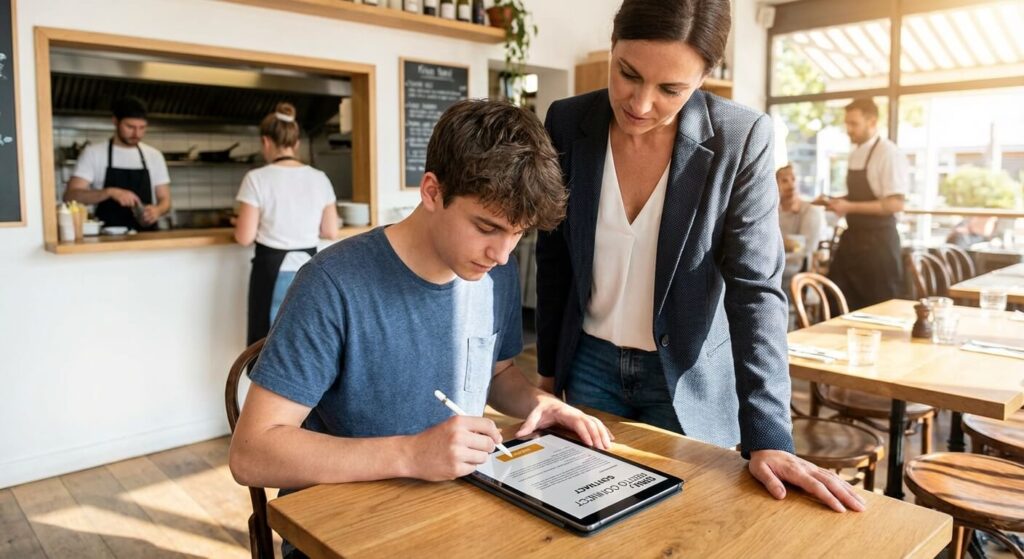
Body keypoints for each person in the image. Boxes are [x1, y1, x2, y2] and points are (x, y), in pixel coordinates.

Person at [229, 100, 614, 558]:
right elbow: (252, 452)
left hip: (458, 516)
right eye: (487, 227)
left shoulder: (495, 274)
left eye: (519, 234)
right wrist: (411, 454)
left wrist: (542, 405)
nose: (502, 254)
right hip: (345, 532)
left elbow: (496, 372)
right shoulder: (332, 284)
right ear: (431, 191)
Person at [535, 0, 864, 513]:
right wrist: (546, 373)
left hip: (685, 379)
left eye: (670, 89)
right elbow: (553, 255)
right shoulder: (568, 120)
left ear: (705, 76)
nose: (641, 104)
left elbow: (757, 292)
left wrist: (769, 432)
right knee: (581, 518)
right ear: (614, 42)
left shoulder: (740, 138)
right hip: (589, 367)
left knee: (683, 524)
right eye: (628, 74)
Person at [233, 102, 340, 345]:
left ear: (266, 142)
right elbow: (330, 230)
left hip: (272, 273)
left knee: (267, 347)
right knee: (306, 343)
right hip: (310, 272)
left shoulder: (256, 178)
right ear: (296, 143)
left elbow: (244, 236)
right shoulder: (319, 178)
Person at [820, 98, 909, 310]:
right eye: (847, 124)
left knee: (879, 307)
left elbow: (895, 203)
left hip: (879, 245)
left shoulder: (888, 153)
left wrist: (848, 207)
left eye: (854, 124)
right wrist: (836, 201)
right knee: (835, 300)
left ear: (872, 122)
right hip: (853, 240)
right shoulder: (855, 153)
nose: (848, 130)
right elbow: (858, 196)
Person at [64, 97, 171, 230]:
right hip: (107, 239)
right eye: (130, 127)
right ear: (115, 121)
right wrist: (109, 192)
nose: (136, 134)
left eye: (142, 128)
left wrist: (158, 210)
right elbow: (71, 196)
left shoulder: (154, 155)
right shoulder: (93, 153)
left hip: (146, 238)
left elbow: (165, 200)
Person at [777, 164, 826, 271]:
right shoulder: (774, 211)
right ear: (776, 185)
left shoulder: (811, 211)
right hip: (777, 265)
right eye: (784, 181)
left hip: (798, 271)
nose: (791, 185)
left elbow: (806, 250)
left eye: (793, 179)